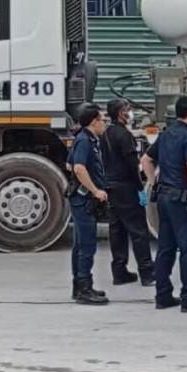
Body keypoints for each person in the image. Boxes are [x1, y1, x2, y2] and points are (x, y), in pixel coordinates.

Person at [141, 96, 187, 313]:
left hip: (164, 198)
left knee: (166, 248)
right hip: (183, 200)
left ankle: (162, 296)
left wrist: (155, 182)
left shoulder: (165, 134)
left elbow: (145, 160)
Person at [103, 99, 154, 287]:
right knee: (138, 231)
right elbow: (132, 165)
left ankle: (119, 271)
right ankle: (147, 272)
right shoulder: (124, 135)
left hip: (111, 187)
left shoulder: (107, 133)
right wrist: (140, 187)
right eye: (127, 109)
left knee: (117, 231)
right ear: (120, 113)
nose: (130, 112)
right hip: (127, 187)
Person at [68, 104, 110, 305]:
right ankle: (84, 289)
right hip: (83, 200)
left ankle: (80, 285)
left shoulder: (86, 139)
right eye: (103, 120)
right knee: (87, 246)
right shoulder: (85, 140)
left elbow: (70, 164)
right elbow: (77, 167)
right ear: (93, 121)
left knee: (79, 245)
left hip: (81, 199)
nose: (105, 123)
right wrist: (95, 190)